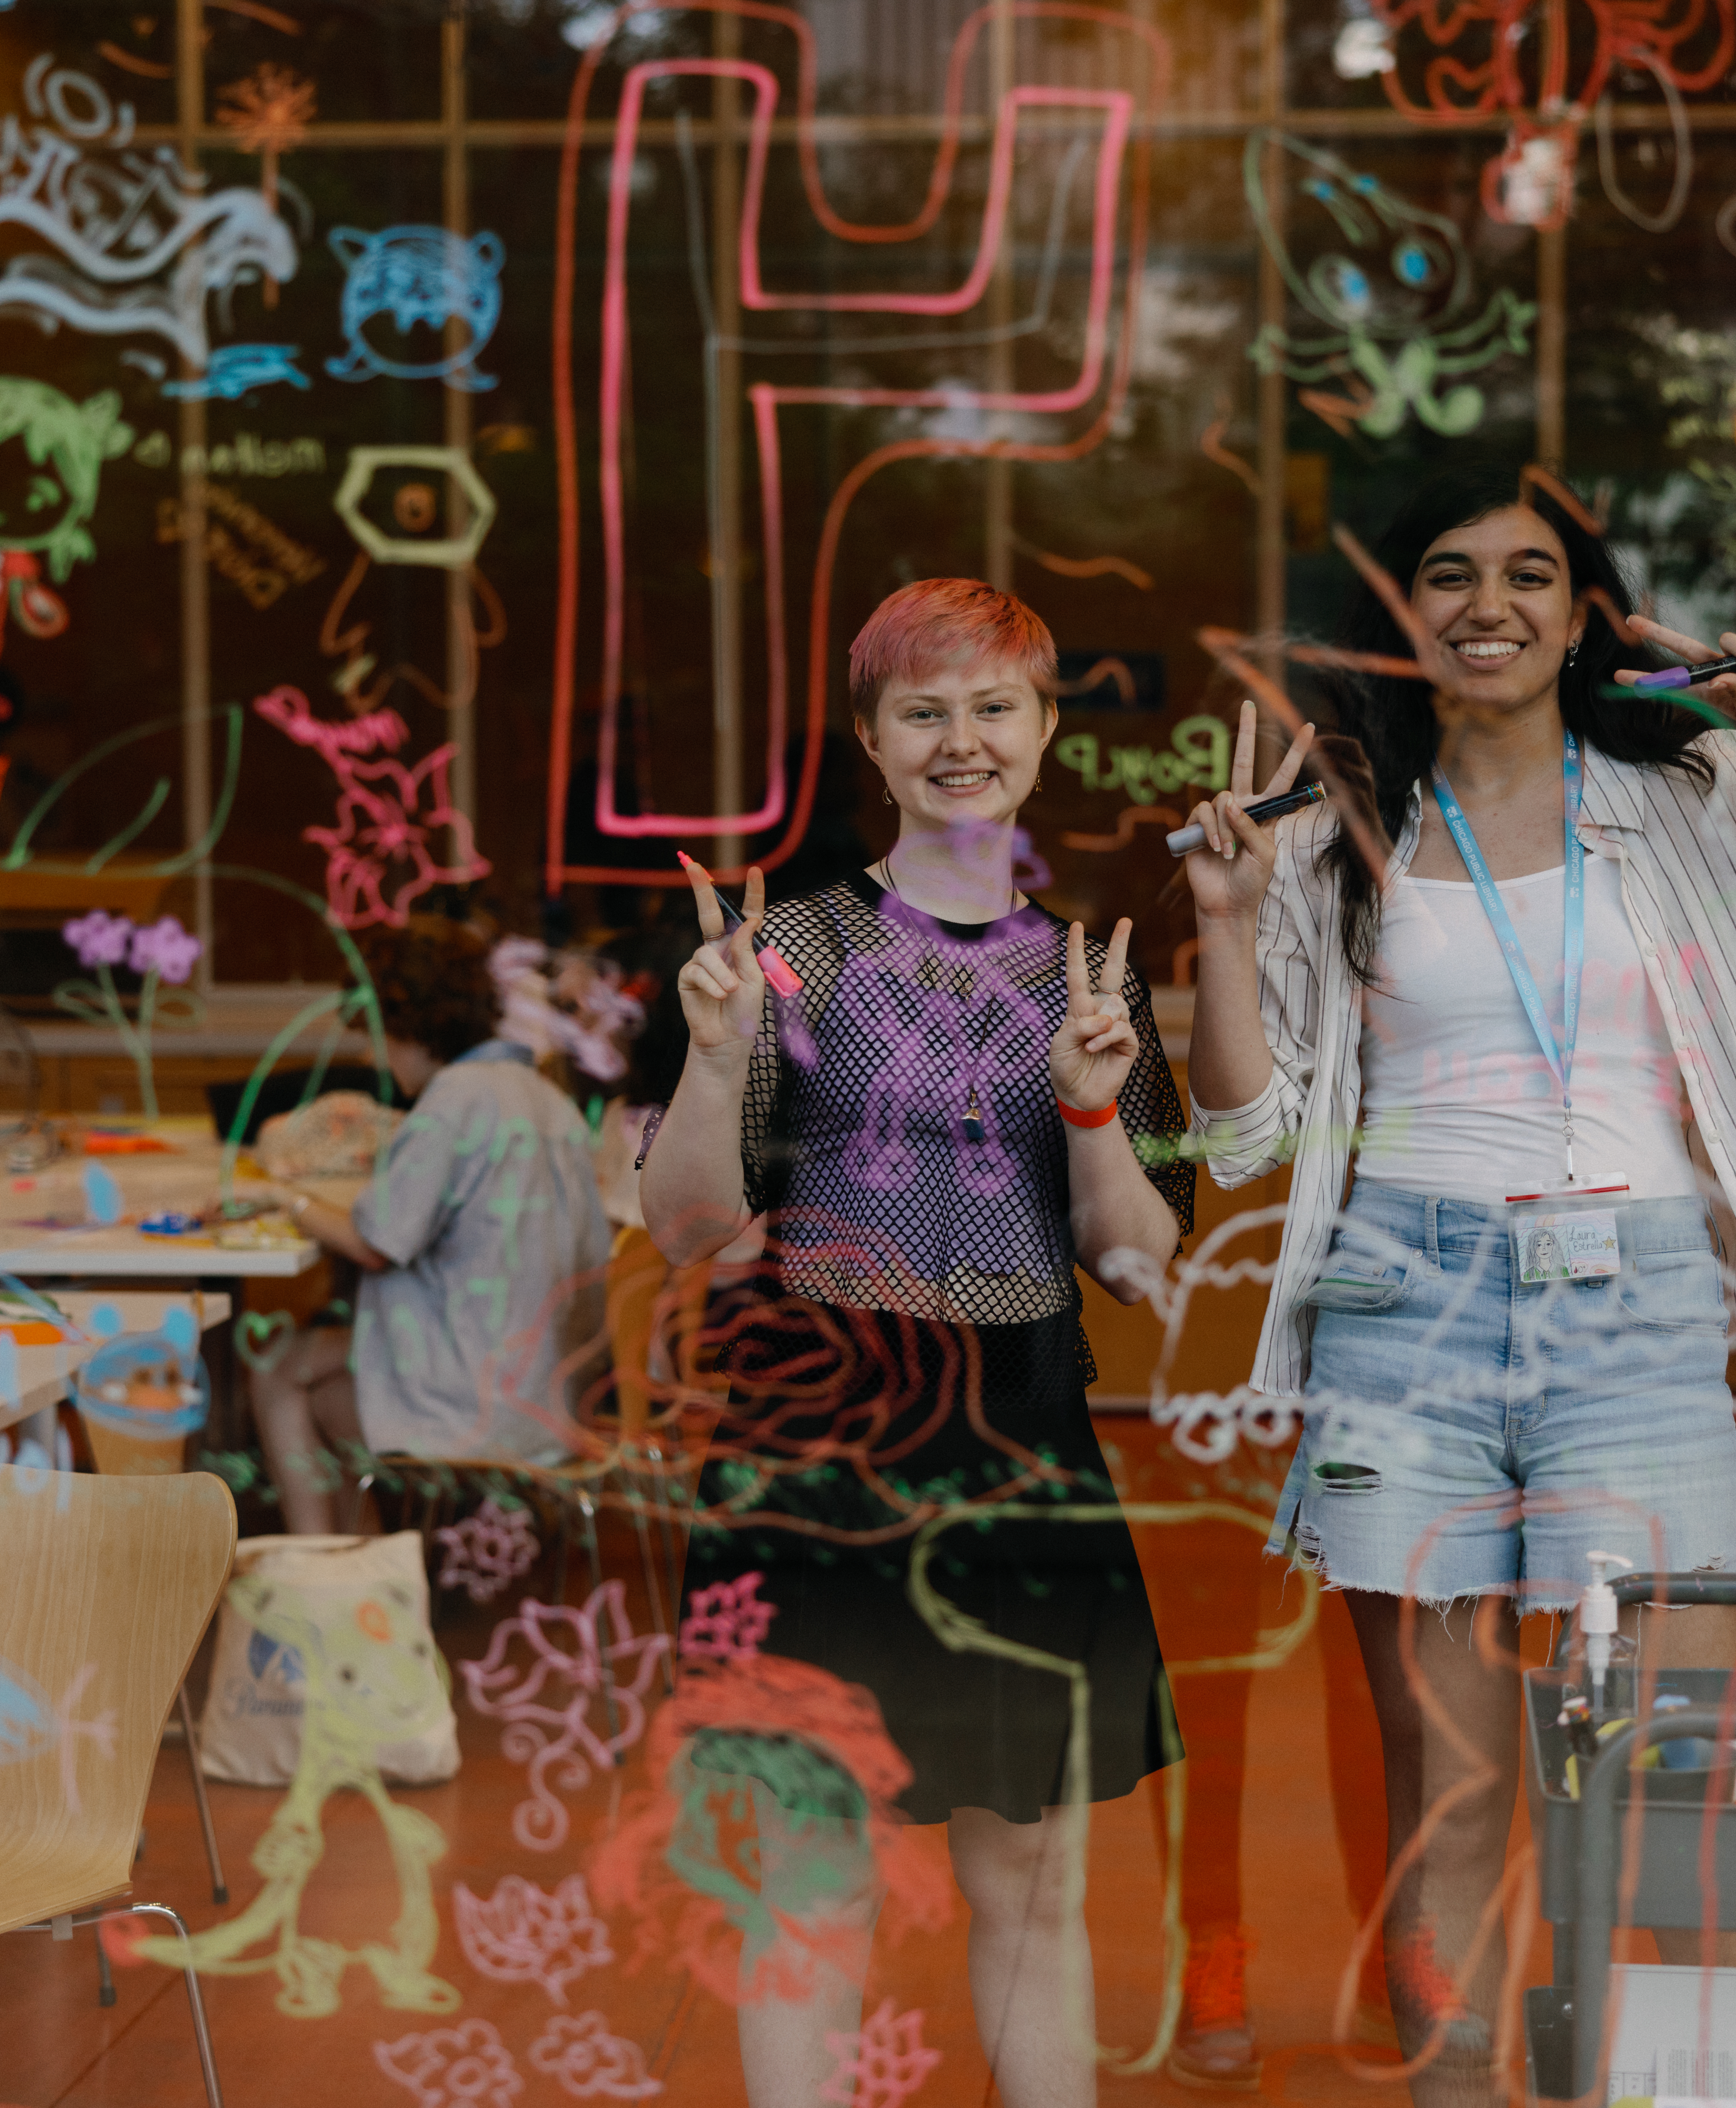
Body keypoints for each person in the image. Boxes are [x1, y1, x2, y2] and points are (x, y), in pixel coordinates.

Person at [1176, 461, 1736, 2101]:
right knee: (1446, 1790)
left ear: (1583, 614)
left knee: (1662, 1782)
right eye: (1446, 573)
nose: (1486, 604)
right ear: (1401, 613)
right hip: (1403, 1316)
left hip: (1632, 1320)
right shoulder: (1330, 831)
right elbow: (1237, 1133)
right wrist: (1223, 923)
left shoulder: (1703, 791)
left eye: (1527, 574)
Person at [638, 578, 1193, 2108]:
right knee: (810, 1888)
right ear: (871, 741)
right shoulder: (789, 954)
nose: (961, 740)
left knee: (1031, 1882)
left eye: (992, 707)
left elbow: (1135, 1260)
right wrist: (716, 1058)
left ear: (1042, 729)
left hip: (1019, 1442)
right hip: (815, 1447)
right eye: (922, 711)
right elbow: (687, 1228)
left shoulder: (1086, 972)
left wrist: (1090, 1102)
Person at [251, 916, 612, 1534]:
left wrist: (284, 1200)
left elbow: (374, 1243)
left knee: (276, 1367)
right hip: (548, 1395)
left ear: (409, 1027)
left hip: (477, 1400)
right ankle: (363, 1571)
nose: (371, 1055)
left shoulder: (456, 1101)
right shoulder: (546, 1100)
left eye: (377, 1036)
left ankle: (321, 1567)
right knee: (321, 1385)